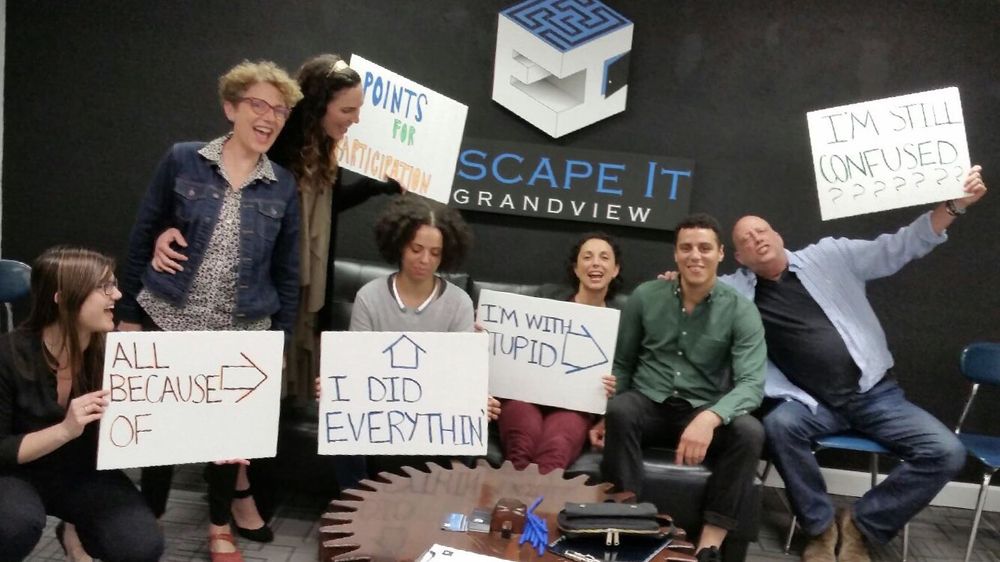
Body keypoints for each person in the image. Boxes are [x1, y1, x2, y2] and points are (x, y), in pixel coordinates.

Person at [151, 54, 402, 500]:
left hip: (300, 288)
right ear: (320, 105)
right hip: (260, 292)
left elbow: (320, 208)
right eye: (348, 109)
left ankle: (239, 488)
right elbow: (238, 214)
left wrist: (373, 187)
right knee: (240, 396)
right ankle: (235, 490)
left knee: (268, 395)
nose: (355, 119)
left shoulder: (321, 147)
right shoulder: (277, 149)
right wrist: (165, 232)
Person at [724, 166, 987, 562]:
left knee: (947, 452)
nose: (756, 239)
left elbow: (898, 247)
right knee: (779, 426)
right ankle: (820, 528)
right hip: (813, 404)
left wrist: (953, 206)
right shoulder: (735, 292)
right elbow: (696, 288)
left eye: (761, 230)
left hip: (876, 395)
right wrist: (673, 281)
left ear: (777, 235)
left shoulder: (831, 256)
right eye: (745, 239)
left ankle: (860, 526)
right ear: (740, 257)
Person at [117, 60, 302, 561]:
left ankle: (219, 525)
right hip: (169, 316)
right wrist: (129, 313)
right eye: (258, 105)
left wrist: (281, 343)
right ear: (230, 108)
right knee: (160, 430)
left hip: (242, 329)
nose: (269, 117)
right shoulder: (183, 159)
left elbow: (288, 272)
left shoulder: (283, 185)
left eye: (280, 110)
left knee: (228, 438)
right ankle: (151, 514)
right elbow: (144, 233)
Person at [591, 213, 767, 562]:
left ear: (720, 254)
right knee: (621, 409)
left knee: (750, 432)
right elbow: (622, 364)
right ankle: (629, 523)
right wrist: (602, 415)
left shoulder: (741, 310)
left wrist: (711, 418)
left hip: (702, 408)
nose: (695, 256)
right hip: (649, 403)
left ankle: (709, 545)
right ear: (675, 253)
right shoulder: (646, 296)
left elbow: (751, 384)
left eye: (704, 248)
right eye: (686, 248)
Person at [317, 194, 501, 485]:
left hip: (436, 406)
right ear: (400, 244)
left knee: (470, 425)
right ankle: (354, 500)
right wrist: (336, 386)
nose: (425, 260)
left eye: (435, 253)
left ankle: (448, 505)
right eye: (417, 249)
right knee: (341, 420)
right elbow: (358, 364)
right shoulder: (370, 296)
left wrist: (476, 398)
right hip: (381, 403)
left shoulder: (459, 302)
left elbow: (460, 373)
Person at [0, 246, 164, 562]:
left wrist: (208, 444)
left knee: (141, 546)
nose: (117, 295)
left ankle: (73, 531)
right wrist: (65, 430)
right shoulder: (7, 355)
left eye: (114, 284)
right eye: (104, 287)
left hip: (85, 472)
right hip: (15, 473)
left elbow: (164, 415)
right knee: (12, 527)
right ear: (63, 298)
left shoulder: (120, 357)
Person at [497, 232, 620, 473]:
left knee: (556, 449)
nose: (595, 263)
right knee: (522, 443)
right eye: (587, 257)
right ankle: (513, 499)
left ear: (615, 270)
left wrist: (614, 385)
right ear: (576, 268)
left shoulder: (620, 321)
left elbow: (625, 369)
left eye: (604, 257)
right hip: (525, 396)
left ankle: (539, 500)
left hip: (575, 406)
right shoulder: (545, 299)